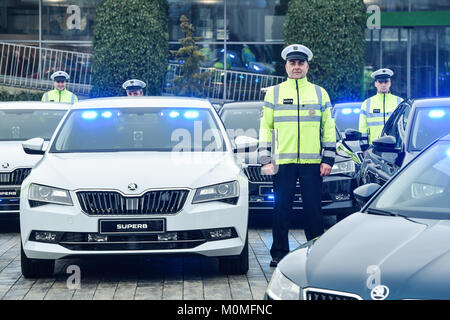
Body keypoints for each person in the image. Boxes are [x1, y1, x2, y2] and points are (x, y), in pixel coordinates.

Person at [258, 44, 336, 267]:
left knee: (313, 210)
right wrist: (265, 159)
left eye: (300, 63)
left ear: (307, 66)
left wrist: (328, 159)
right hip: (283, 163)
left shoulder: (320, 93)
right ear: (286, 66)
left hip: (313, 163)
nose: (297, 67)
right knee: (281, 209)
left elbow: (328, 128)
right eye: (292, 63)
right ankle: (279, 254)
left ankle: (316, 252)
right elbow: (265, 128)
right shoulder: (274, 93)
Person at [358, 68, 403, 145]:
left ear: (390, 83)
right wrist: (364, 147)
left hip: (395, 147)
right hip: (374, 147)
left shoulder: (400, 102)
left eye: (386, 82)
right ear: (375, 83)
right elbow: (363, 129)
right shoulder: (367, 103)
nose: (383, 84)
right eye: (380, 82)